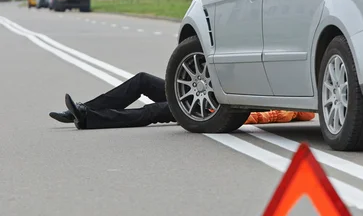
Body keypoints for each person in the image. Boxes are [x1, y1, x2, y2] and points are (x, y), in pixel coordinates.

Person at [49, 72, 315, 130]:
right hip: (203, 93)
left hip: (213, 110)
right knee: (142, 80)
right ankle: (84, 109)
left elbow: (297, 114)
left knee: (154, 111)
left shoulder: (298, 105)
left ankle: (88, 119)